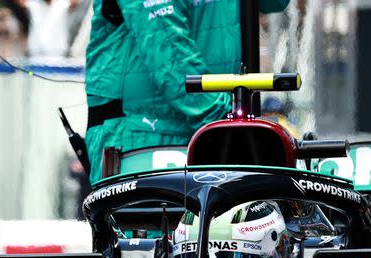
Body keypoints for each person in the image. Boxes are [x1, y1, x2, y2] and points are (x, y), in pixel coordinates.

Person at [84, 0, 289, 181]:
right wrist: (230, 124)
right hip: (144, 134)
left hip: (208, 128)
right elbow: (168, 52)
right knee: (150, 221)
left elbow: (275, 3)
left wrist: (231, 125)